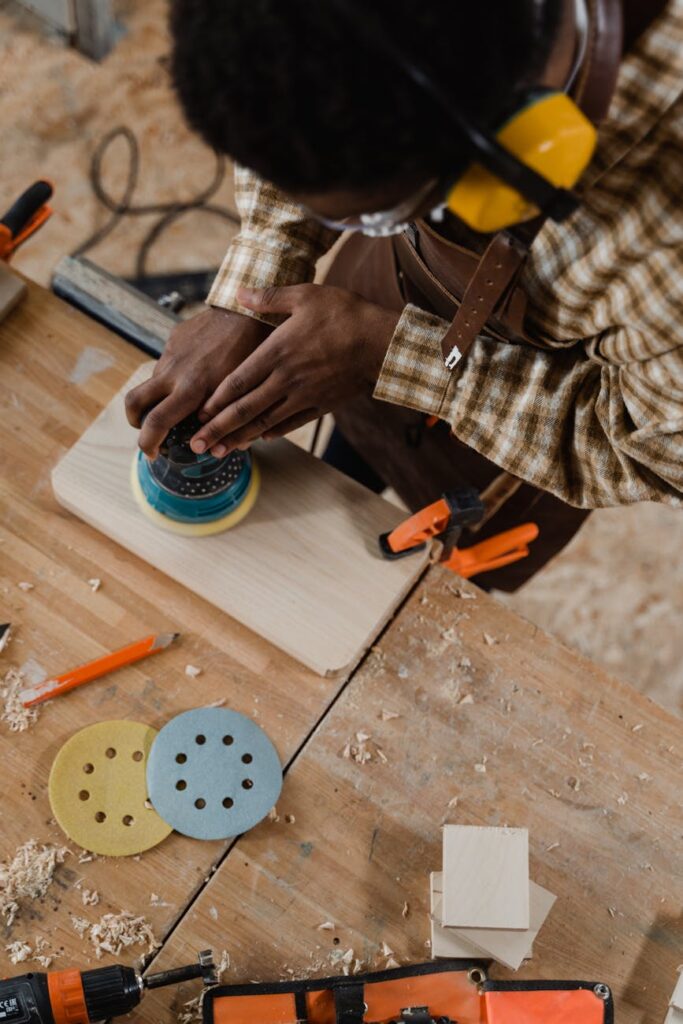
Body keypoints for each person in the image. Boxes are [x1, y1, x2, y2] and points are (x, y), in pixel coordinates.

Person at [125, 0, 682, 590]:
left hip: (514, 437)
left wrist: (388, 353)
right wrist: (259, 272)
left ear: (504, 163)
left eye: (372, 214)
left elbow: (648, 449)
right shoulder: (385, 74)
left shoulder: (662, 241)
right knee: (341, 439)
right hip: (386, 293)